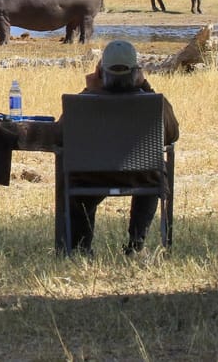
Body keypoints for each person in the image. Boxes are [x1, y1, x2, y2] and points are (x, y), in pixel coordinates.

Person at [64, 39, 180, 255]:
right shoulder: (154, 102)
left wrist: (89, 88)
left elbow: (61, 134)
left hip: (91, 177)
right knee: (154, 169)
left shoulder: (82, 104)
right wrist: (146, 86)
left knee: (78, 191)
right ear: (137, 72)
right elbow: (173, 133)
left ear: (100, 72)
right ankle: (137, 243)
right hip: (140, 176)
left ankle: (80, 247)